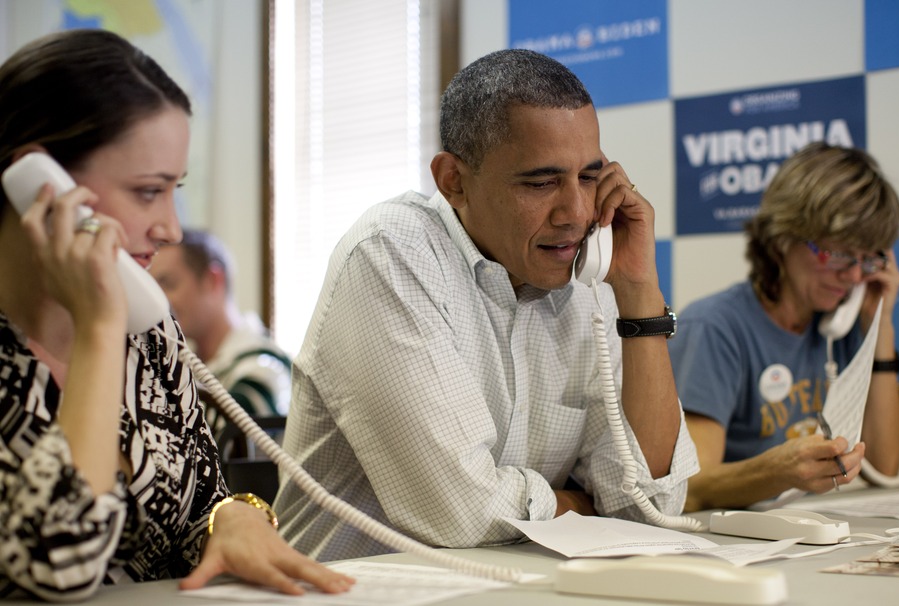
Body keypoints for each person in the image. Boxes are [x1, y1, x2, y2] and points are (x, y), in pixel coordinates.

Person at [275, 48, 699, 562]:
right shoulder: (391, 253)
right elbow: (462, 513)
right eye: (541, 183)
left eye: (589, 177)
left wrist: (637, 293)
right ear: (453, 181)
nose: (577, 213)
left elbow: (650, 507)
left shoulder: (588, 277)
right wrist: (585, 507)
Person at [0, 30, 352, 600]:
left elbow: (201, 507)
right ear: (37, 184)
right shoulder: (112, 324)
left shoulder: (148, 333)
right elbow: (53, 569)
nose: (168, 228)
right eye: (147, 191)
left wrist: (234, 518)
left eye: (175, 191)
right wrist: (97, 330)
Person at [670, 142, 899, 512]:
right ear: (783, 238)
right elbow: (689, 488)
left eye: (867, 260)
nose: (854, 275)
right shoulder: (715, 327)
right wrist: (780, 471)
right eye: (839, 254)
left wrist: (881, 325)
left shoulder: (839, 326)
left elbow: (885, 468)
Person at [151, 229, 292, 436]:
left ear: (212, 280)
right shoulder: (182, 362)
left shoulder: (263, 369)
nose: (158, 300)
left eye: (168, 284)